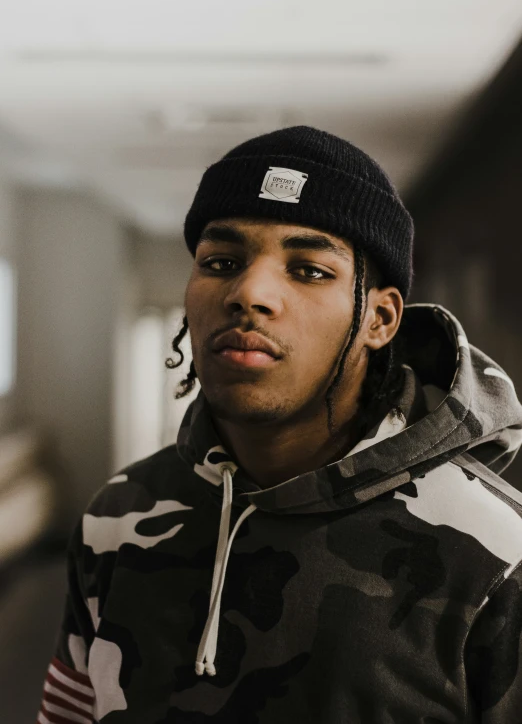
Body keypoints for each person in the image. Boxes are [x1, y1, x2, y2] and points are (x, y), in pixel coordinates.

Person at [38, 126, 522, 724]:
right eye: (222, 262)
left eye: (310, 270)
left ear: (380, 318)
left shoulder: (499, 555)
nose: (249, 292)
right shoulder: (118, 516)